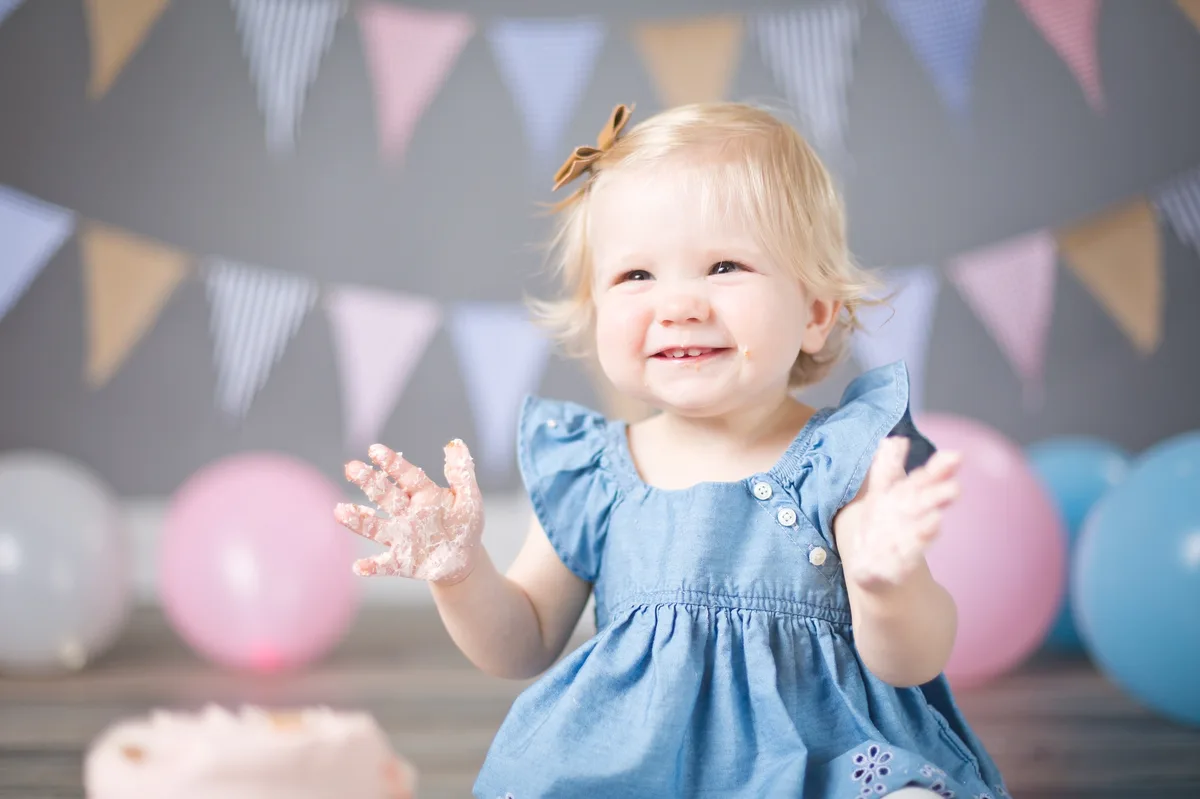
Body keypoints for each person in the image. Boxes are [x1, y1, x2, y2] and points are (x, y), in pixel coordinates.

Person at [334, 101, 1009, 799]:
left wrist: (886, 586)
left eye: (724, 265)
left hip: (822, 760)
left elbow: (911, 660)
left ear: (813, 311)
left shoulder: (844, 459)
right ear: (596, 310)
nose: (679, 304)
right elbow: (522, 642)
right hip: (632, 766)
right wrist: (461, 573)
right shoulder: (595, 469)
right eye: (636, 276)